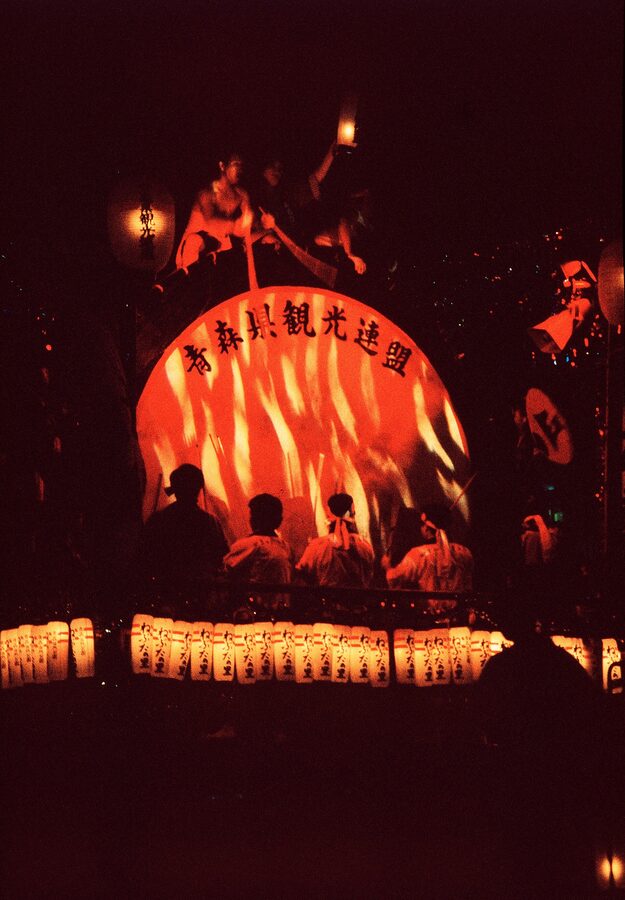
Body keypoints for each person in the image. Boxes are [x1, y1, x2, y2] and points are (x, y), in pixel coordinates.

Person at [137, 463, 229, 602]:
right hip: (200, 592)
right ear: (198, 488)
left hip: (167, 592)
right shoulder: (211, 522)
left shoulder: (160, 519)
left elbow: (145, 555)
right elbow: (220, 555)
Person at [384, 503, 473, 613]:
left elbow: (395, 579)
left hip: (430, 619)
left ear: (426, 528)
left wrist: (387, 567)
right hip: (460, 619)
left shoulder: (419, 555)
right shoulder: (464, 553)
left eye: (421, 524)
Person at [175, 152, 254, 269]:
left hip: (220, 247)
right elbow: (213, 223)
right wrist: (236, 226)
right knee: (194, 241)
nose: (239, 169)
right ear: (222, 166)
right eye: (235, 164)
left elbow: (245, 230)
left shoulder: (241, 195)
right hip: (193, 249)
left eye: (241, 165)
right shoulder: (206, 193)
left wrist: (263, 226)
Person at [254, 141, 337, 243]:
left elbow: (315, 180)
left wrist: (331, 153)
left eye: (280, 169)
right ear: (263, 169)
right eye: (273, 167)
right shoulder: (255, 197)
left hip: (296, 245)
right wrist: (266, 229)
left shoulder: (287, 192)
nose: (277, 171)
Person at [223, 493, 292, 610]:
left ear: (254, 519)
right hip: (282, 611)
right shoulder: (286, 547)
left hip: (256, 611)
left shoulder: (248, 544)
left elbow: (224, 569)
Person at [296, 492, 374, 588]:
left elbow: (301, 572)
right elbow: (370, 574)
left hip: (326, 596)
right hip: (358, 597)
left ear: (328, 515)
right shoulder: (365, 545)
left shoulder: (317, 546)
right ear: (352, 514)